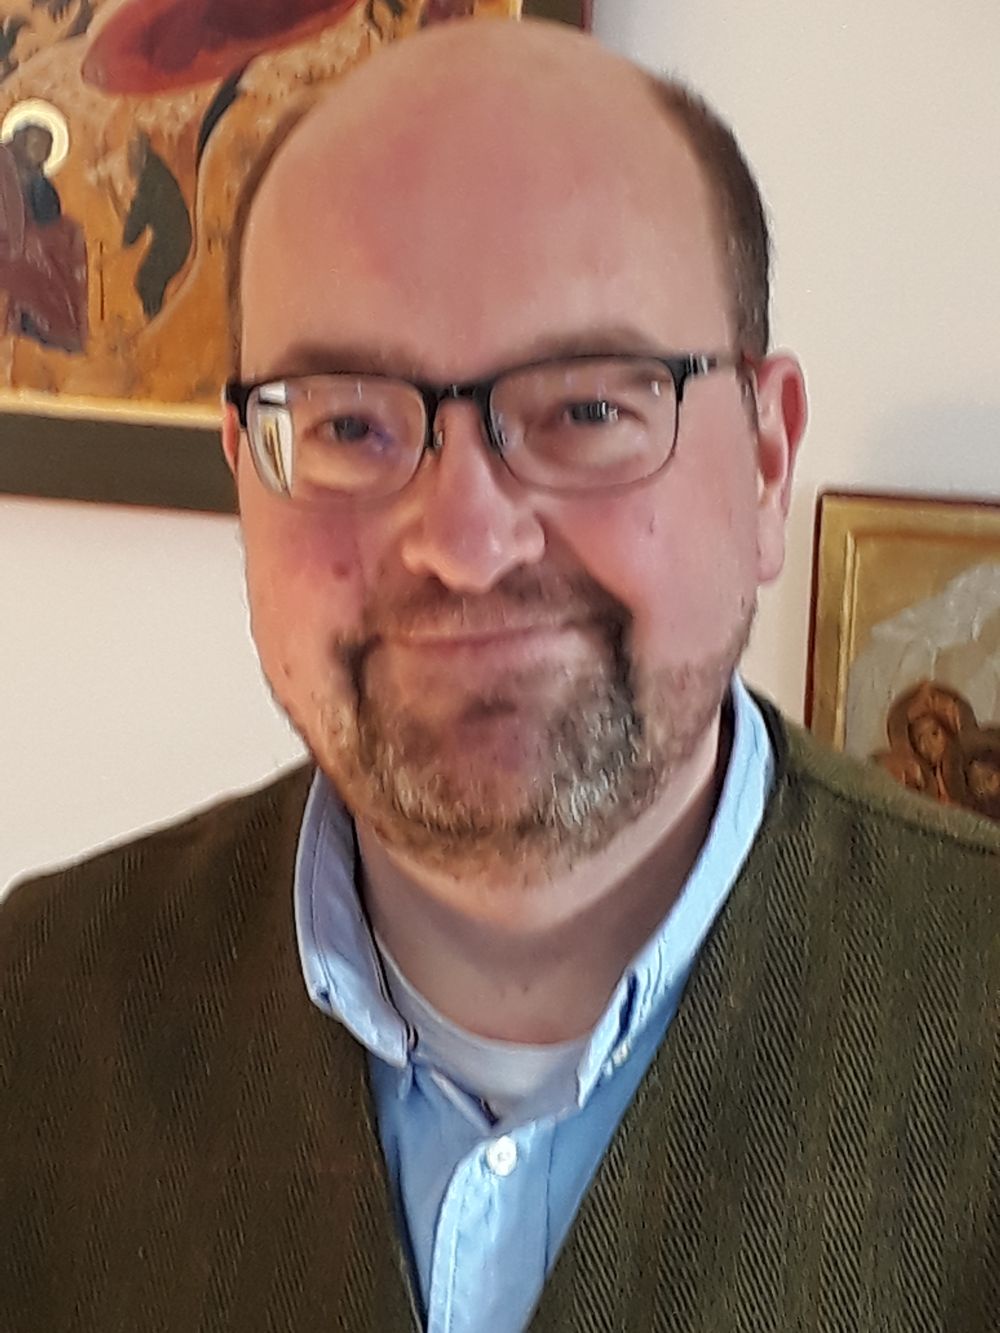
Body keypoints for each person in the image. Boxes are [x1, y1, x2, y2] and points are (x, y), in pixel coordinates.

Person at [2, 19, 997, 1333]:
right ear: (247, 472)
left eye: (587, 409)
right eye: (348, 422)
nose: (467, 545)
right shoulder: (34, 1015)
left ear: (766, 462)